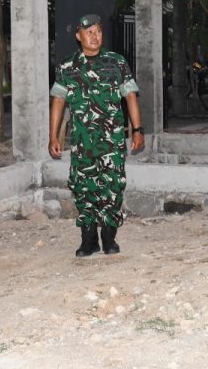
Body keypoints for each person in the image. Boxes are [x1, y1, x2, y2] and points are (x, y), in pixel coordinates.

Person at [48, 14, 144, 257]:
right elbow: (58, 101)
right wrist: (53, 136)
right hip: (83, 142)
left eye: (98, 31)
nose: (95, 36)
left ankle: (109, 237)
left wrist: (137, 129)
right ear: (78, 36)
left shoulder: (116, 62)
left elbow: (130, 96)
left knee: (113, 185)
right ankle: (88, 239)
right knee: (83, 187)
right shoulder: (67, 67)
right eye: (89, 32)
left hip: (112, 140)